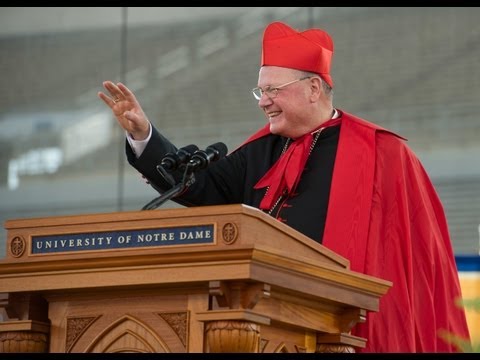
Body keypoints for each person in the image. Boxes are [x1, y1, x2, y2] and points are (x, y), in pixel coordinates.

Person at [98, 21, 471, 352]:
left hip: (347, 332)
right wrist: (143, 134)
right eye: (260, 91)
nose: (264, 102)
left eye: (273, 90)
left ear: (313, 88)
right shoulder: (260, 150)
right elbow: (199, 187)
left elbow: (421, 259)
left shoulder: (384, 151)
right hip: (264, 326)